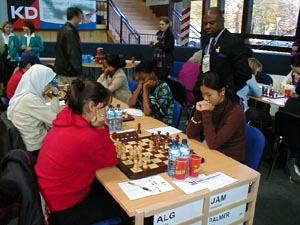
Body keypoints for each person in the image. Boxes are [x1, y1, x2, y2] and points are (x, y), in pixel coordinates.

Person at [35, 80, 131, 225]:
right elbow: (112, 158)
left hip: (50, 195)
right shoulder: (84, 137)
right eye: (103, 107)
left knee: (107, 189)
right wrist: (100, 128)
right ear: (92, 105)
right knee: (126, 207)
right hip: (65, 208)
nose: (105, 111)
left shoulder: (67, 115)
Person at [193, 7, 252, 102]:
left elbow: (244, 73)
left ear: (221, 22)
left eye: (212, 23)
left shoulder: (234, 42)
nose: (207, 26)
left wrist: (226, 89)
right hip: (204, 92)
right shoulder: (206, 38)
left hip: (222, 96)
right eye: (205, 24)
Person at [187, 71, 246, 162]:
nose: (205, 98)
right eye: (203, 94)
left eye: (209, 95)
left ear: (222, 91)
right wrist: (198, 113)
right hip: (211, 152)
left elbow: (213, 143)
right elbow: (190, 134)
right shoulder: (211, 105)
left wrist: (206, 113)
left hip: (230, 160)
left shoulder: (235, 113)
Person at [7, 64, 60, 157]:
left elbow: (52, 117)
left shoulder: (26, 93)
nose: (50, 85)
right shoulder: (30, 99)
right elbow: (54, 121)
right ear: (40, 81)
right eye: (48, 82)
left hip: (29, 140)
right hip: (35, 146)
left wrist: (55, 95)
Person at [128, 60, 174, 125]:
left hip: (159, 125)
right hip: (145, 120)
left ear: (152, 74)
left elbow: (147, 112)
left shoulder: (163, 88)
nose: (141, 81)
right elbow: (131, 104)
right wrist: (140, 86)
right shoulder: (143, 84)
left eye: (143, 79)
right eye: (139, 79)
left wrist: (145, 90)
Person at [54, 7, 84, 85]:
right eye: (80, 17)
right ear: (75, 17)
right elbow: (73, 53)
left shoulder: (61, 29)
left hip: (61, 70)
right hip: (70, 73)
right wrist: (78, 71)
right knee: (72, 95)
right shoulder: (70, 32)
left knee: (62, 94)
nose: (80, 20)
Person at [150, 16, 175, 81]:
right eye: (160, 24)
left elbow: (169, 48)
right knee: (156, 78)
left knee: (162, 79)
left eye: (162, 24)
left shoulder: (170, 35)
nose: (161, 26)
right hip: (157, 59)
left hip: (165, 61)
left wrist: (158, 43)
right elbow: (158, 46)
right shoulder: (159, 34)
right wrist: (153, 44)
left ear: (167, 25)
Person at [1, 21, 20, 86]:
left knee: (9, 75)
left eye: (10, 27)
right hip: (2, 58)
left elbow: (17, 47)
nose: (8, 29)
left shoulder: (15, 36)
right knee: (2, 74)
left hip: (12, 58)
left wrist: (10, 55)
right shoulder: (1, 36)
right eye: (7, 27)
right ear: (3, 28)